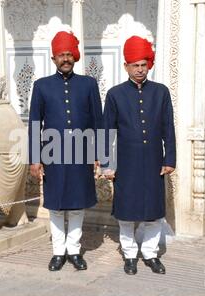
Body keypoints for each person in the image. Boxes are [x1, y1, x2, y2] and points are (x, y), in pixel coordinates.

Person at [28, 31, 103, 271]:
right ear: (53, 58)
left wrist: (100, 154)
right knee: (56, 204)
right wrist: (34, 158)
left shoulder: (89, 85)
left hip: (81, 153)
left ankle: (74, 250)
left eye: (69, 54)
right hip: (53, 153)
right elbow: (34, 124)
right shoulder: (41, 86)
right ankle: (58, 252)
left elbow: (98, 122)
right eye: (61, 55)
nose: (66, 59)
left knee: (78, 203)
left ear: (75, 57)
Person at [102, 36, 176, 275]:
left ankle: (151, 254)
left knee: (154, 214)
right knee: (126, 214)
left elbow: (168, 127)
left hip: (154, 163)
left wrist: (170, 159)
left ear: (149, 64)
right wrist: (107, 163)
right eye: (135, 65)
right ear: (126, 66)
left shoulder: (161, 92)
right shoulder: (115, 94)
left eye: (143, 64)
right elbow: (107, 132)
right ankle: (130, 255)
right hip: (126, 165)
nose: (140, 69)